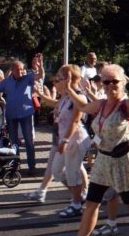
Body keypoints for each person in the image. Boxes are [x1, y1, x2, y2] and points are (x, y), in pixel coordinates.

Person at [51, 64, 129, 236]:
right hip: (103, 160)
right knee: (92, 202)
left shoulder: (127, 104)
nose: (109, 85)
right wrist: (68, 89)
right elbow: (83, 106)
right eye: (105, 81)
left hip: (122, 160)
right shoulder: (101, 104)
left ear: (122, 82)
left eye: (114, 81)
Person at [36, 66, 91, 217]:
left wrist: (65, 140)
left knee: (73, 173)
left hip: (75, 140)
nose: (55, 82)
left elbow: (77, 117)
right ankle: (79, 196)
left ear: (69, 80)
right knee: (57, 171)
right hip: (64, 139)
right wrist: (41, 94)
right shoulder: (66, 96)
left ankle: (76, 204)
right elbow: (55, 104)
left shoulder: (78, 96)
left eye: (58, 79)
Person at [0, 57, 44, 175]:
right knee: (14, 142)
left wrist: (40, 65)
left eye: (22, 70)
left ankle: (32, 167)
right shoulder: (7, 81)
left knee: (29, 141)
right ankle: (16, 166)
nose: (21, 72)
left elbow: (39, 75)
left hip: (26, 114)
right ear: (12, 70)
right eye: (18, 70)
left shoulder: (28, 78)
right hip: (11, 115)